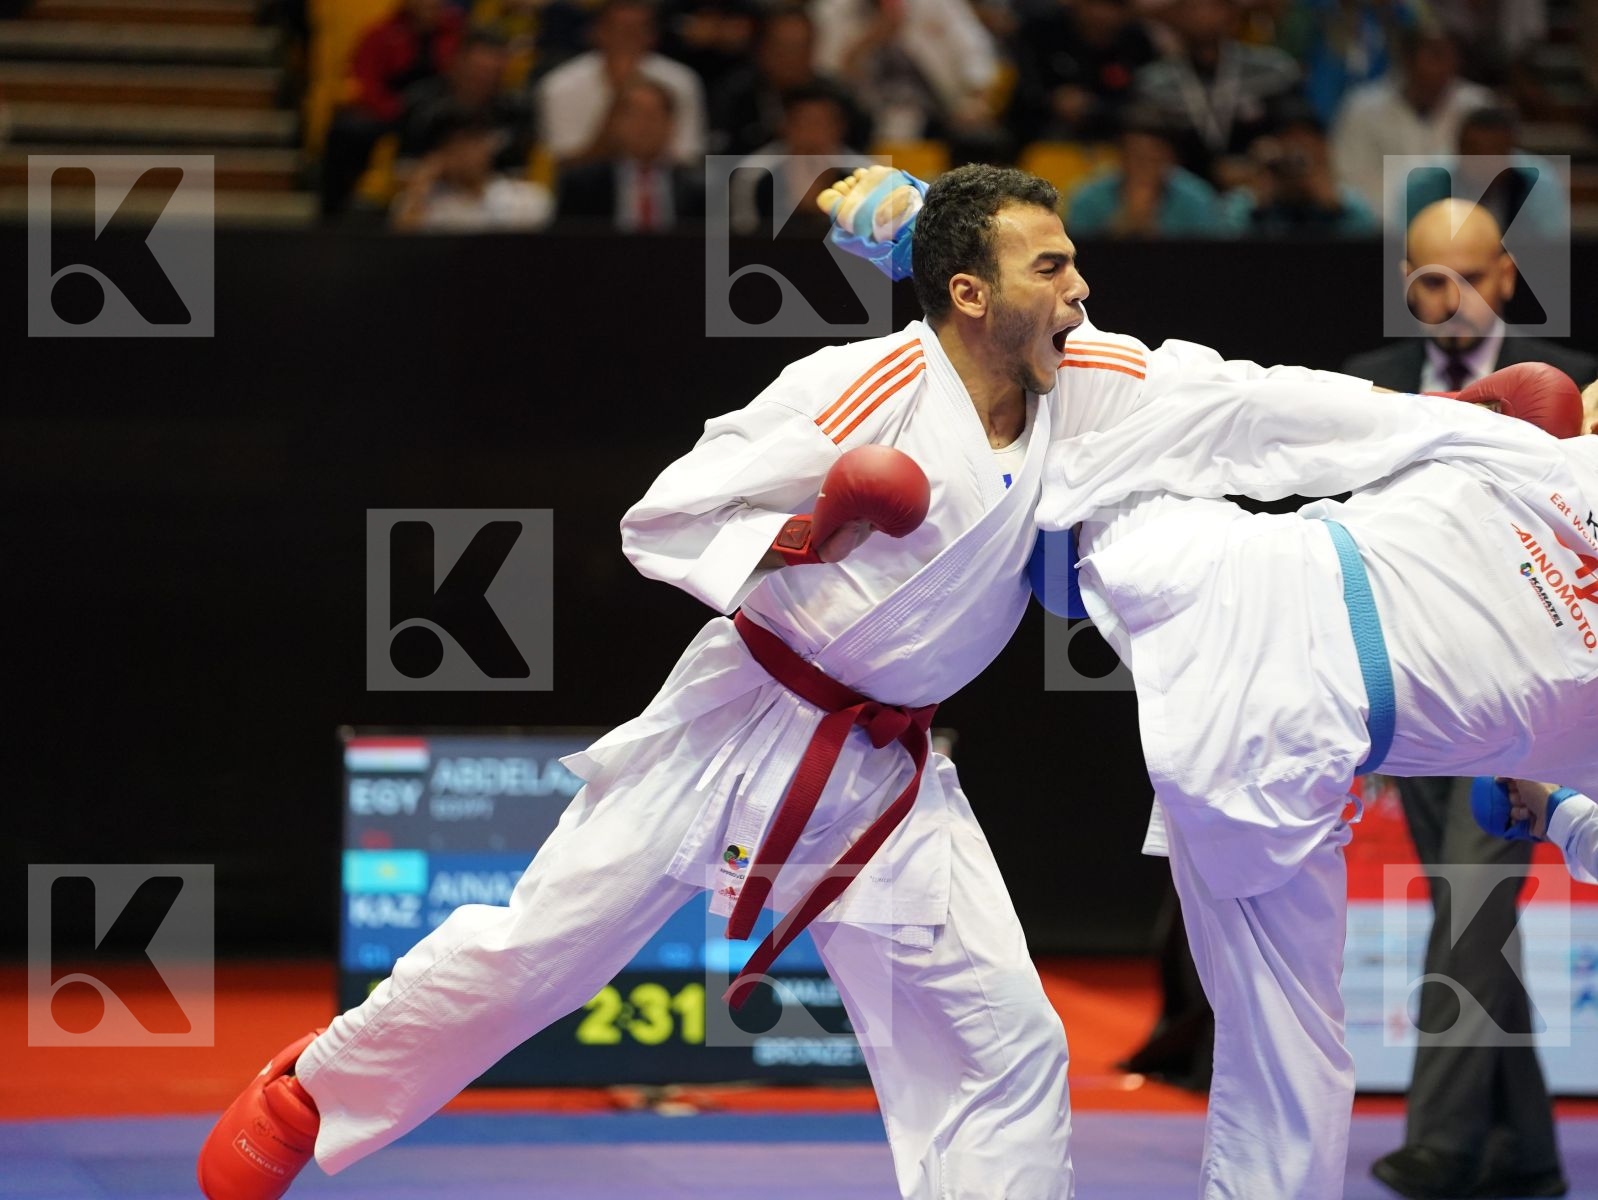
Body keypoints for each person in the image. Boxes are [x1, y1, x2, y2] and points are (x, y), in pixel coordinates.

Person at [200, 165, 1086, 1200]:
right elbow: (661, 518)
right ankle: (313, 1091)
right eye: (1055, 265)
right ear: (972, 291)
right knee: (539, 951)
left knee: (1007, 1044)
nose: (1079, 288)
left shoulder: (1068, 384)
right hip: (739, 724)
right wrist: (811, 532)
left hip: (887, 779)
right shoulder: (858, 388)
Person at [823, 163, 1597, 1200]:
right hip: (1257, 633)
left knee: (1131, 404)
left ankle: (935, 255)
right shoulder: (1547, 451)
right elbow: (1332, 420)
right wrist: (1554, 813)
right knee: (1167, 399)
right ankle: (934, 245)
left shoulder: (1538, 449)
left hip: (1259, 691)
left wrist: (1554, 813)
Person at [1341, 197, 1590, 1200]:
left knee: (1473, 907)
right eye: (1424, 278)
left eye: (1463, 276)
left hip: (1524, 703)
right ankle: (1524, 1152)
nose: (1444, 298)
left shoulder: (1570, 385)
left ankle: (1441, 1140)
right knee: (1465, 911)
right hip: (1418, 694)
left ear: (1499, 279)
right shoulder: (1371, 386)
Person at [1330, 24, 1495, 213]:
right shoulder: (1362, 108)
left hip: (1462, 229)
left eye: (1452, 55)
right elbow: (1348, 180)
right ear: (1407, 59)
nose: (1446, 64)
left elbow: (1494, 178)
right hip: (1380, 231)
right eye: (1435, 54)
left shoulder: (1479, 106)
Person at [535, 0, 707, 169]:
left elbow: (688, 159)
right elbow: (564, 166)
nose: (627, 39)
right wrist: (618, 105)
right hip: (586, 193)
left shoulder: (682, 81)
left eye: (637, 30)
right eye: (619, 30)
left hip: (663, 189)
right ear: (596, 32)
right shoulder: (560, 86)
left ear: (653, 36)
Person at [556, 77, 707, 230]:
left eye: (652, 116)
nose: (644, 126)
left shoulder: (700, 190)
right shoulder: (581, 185)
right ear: (615, 123)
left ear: (671, 124)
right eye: (635, 115)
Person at [1065, 106, 1226, 238]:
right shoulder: (1088, 197)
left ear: (1171, 159)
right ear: (1121, 157)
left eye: (1154, 158)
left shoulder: (1197, 197)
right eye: (1136, 157)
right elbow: (1076, 258)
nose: (1145, 167)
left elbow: (1208, 259)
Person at [389, 113, 553, 232]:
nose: (467, 154)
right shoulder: (422, 204)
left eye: (474, 143)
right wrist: (421, 185)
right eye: (456, 146)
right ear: (440, 154)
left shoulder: (526, 198)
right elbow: (402, 251)